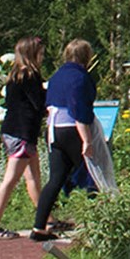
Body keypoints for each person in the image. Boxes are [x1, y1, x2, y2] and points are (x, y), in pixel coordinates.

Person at [31, 39, 96, 242]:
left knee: (56, 179)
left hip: (53, 130)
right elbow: (79, 109)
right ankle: (98, 224)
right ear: (87, 57)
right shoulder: (80, 77)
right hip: (72, 129)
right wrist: (87, 140)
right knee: (92, 174)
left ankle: (39, 227)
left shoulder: (57, 75)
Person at [0, 36, 46, 240]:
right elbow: (38, 103)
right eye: (41, 52)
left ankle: (46, 217)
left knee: (33, 177)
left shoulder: (15, 75)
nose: (43, 56)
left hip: (13, 130)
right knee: (10, 180)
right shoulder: (31, 75)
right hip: (23, 133)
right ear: (32, 54)